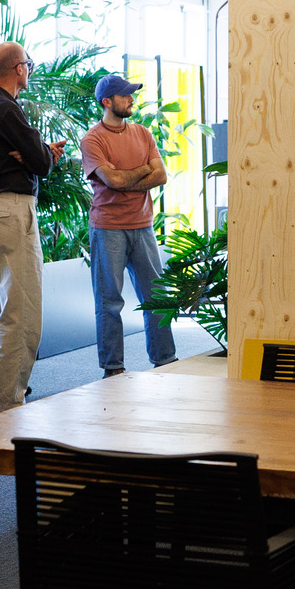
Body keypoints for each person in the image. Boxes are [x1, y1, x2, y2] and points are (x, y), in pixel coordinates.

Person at [0, 41, 66, 417]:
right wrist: (39, 153)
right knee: (20, 313)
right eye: (29, 64)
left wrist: (33, 153)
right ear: (19, 68)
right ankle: (7, 402)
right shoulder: (6, 107)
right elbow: (39, 163)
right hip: (11, 208)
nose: (30, 70)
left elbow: (31, 157)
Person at [80, 73, 177, 379]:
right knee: (110, 301)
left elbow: (160, 175)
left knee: (157, 297)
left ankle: (165, 359)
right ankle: (113, 368)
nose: (131, 99)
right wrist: (141, 171)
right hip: (107, 228)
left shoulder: (143, 134)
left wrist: (124, 180)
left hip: (143, 226)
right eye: (125, 95)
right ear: (107, 102)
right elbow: (112, 179)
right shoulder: (93, 139)